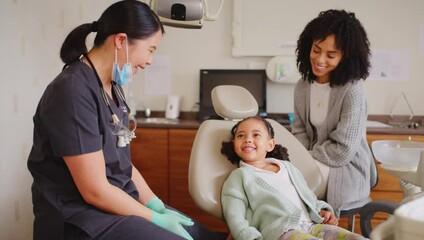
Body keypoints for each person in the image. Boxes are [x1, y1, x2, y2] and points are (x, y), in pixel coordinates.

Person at [27, 1, 222, 239]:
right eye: (150, 49)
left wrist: (155, 204)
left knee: (203, 236)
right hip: (80, 217)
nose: (151, 60)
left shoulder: (113, 88)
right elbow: (94, 190)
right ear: (120, 41)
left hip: (116, 205)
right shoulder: (72, 91)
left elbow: (123, 166)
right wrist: (155, 219)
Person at [220, 117, 366, 240]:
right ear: (234, 145)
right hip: (281, 233)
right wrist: (249, 236)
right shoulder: (239, 177)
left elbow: (308, 197)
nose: (248, 140)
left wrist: (321, 210)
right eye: (241, 136)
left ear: (270, 145)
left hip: (311, 226)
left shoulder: (287, 168)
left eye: (256, 135)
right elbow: (235, 218)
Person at [292, 9, 374, 216]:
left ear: (344, 57)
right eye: (316, 50)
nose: (319, 60)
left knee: (287, 182)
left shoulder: (352, 91)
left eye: (330, 55)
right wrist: (299, 158)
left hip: (345, 171)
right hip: (311, 164)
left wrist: (304, 158)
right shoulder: (302, 87)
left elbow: (343, 151)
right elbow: (299, 133)